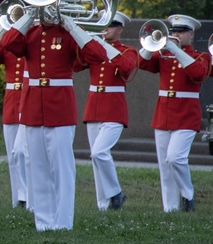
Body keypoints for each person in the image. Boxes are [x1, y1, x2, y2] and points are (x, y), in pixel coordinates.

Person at [1, 8, 107, 231]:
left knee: (62, 170)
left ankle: (63, 223)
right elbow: (8, 42)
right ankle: (44, 223)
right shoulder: (30, 33)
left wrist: (72, 26)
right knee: (38, 169)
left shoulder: (68, 34)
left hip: (59, 108)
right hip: (32, 108)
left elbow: (98, 55)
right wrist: (29, 15)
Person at [137, 13, 212, 212]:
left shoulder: (200, 57)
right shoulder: (164, 55)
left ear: (191, 34)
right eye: (173, 31)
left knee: (175, 158)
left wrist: (174, 49)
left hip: (187, 115)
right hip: (163, 114)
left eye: (181, 31)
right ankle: (170, 207)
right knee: (164, 165)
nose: (176, 34)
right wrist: (153, 43)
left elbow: (197, 74)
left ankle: (188, 194)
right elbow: (140, 63)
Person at [74, 12, 138, 210]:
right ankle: (103, 204)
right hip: (94, 106)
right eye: (104, 25)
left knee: (99, 153)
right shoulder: (95, 49)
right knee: (96, 158)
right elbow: (76, 65)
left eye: (110, 26)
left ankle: (116, 193)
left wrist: (102, 46)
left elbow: (126, 68)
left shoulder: (128, 51)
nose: (106, 30)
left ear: (120, 30)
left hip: (114, 108)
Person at [0, 25, 28, 208]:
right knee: (12, 155)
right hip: (11, 102)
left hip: (28, 100)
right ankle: (16, 199)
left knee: (22, 152)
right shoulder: (7, 47)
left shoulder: (32, 43)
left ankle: (26, 195)